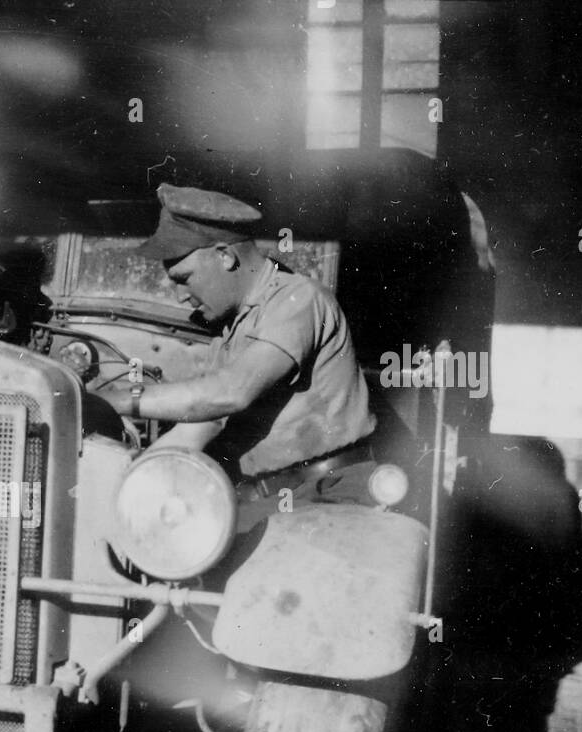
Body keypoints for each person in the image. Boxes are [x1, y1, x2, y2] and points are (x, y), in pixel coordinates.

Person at [103, 183, 377, 531]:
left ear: (225, 255)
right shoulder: (232, 330)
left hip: (328, 498)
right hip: (268, 502)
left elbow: (232, 391)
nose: (180, 296)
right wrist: (127, 481)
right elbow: (201, 427)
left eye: (184, 278)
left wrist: (116, 400)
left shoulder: (297, 300)